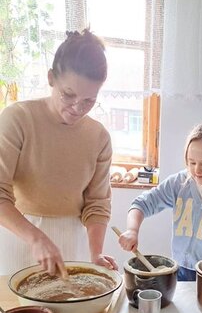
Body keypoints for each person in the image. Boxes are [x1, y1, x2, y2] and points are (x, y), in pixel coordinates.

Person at [0, 29, 117, 277]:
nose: (77, 108)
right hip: (19, 234)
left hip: (72, 240)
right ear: (51, 77)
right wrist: (36, 238)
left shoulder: (99, 137)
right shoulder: (18, 119)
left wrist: (96, 254)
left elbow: (97, 203)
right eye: (69, 95)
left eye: (89, 100)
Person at [118, 118, 202, 281]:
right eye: (191, 162)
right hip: (179, 269)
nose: (197, 170)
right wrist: (132, 231)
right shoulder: (179, 183)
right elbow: (141, 204)